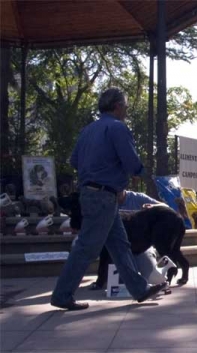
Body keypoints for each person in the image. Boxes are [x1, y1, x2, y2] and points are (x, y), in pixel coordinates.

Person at [50, 88, 166, 311]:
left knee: (120, 246)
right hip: (103, 195)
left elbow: (74, 161)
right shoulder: (117, 128)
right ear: (117, 106)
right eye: (126, 106)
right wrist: (146, 175)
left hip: (94, 194)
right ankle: (62, 295)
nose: (127, 110)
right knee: (86, 247)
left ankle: (139, 289)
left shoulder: (88, 130)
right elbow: (132, 163)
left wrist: (96, 169)